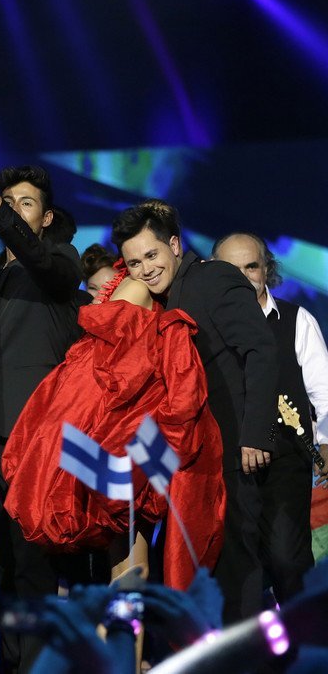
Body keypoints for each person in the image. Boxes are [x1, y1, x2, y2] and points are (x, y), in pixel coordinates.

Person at [1, 262, 225, 590]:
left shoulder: (131, 317)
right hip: (119, 432)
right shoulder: (125, 330)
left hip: (121, 432)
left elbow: (127, 369)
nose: (145, 269)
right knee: (127, 564)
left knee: (128, 563)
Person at [112, 200, 278, 623]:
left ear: (174, 245)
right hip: (189, 466)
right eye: (134, 263)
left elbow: (261, 349)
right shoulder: (157, 303)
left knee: (237, 572)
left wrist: (255, 434)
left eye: (152, 255)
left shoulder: (212, 277)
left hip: (234, 452)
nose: (146, 269)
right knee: (203, 578)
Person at [0, 165, 84, 671]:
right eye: (8, 200)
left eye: (23, 203)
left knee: (33, 567)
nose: (12, 208)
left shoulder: (60, 261)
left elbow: (41, 260)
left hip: (35, 437)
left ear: (46, 217)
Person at [212, 232, 328, 605]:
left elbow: (324, 390)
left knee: (287, 559)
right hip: (226, 464)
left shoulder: (297, 320)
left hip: (286, 459)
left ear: (267, 269)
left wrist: (325, 441)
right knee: (237, 569)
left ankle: (304, 634)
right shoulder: (203, 326)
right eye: (232, 269)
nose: (244, 277)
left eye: (252, 267)